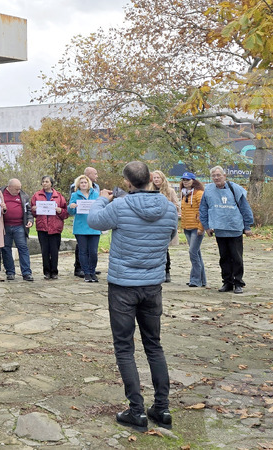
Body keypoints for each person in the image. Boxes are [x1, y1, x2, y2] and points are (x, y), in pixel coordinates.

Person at [87, 161, 177, 430]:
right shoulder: (170, 209)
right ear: (151, 178)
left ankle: (136, 410)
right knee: (154, 345)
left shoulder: (119, 206)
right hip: (152, 285)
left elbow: (94, 221)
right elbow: (170, 237)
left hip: (123, 286)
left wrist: (102, 199)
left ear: (127, 183)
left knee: (125, 347)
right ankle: (162, 408)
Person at [200, 166, 254, 294]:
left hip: (234, 228)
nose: (216, 178)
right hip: (219, 229)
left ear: (224, 175)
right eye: (214, 176)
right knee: (224, 257)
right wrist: (206, 226)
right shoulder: (208, 190)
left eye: (219, 175)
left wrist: (247, 226)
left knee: (236, 257)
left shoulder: (234, 189)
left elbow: (245, 208)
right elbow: (203, 209)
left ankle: (238, 282)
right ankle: (227, 282)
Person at [30, 175, 68, 280]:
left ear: (51, 183)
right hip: (42, 227)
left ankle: (54, 272)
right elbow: (32, 212)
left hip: (55, 227)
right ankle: (46, 272)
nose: (45, 183)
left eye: (47, 181)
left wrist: (60, 210)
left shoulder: (59, 196)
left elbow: (65, 213)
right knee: (45, 251)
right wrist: (34, 209)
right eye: (43, 182)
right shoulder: (36, 195)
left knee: (54, 251)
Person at [69, 173, 101, 282]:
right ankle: (86, 273)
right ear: (78, 184)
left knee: (93, 252)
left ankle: (92, 271)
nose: (83, 184)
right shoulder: (75, 195)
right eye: (81, 182)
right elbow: (70, 211)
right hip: (80, 227)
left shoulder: (96, 194)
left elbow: (100, 208)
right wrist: (71, 207)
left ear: (89, 184)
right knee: (83, 251)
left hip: (94, 227)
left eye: (85, 182)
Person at [0, 178, 34, 282]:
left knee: (23, 248)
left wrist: (30, 220)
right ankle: (10, 272)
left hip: (19, 226)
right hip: (4, 225)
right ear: (9, 187)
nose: (18, 191)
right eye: (16, 189)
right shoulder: (0, 193)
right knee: (6, 249)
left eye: (19, 188)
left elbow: (29, 210)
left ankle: (26, 272)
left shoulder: (24, 195)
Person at [151, 170, 181, 283]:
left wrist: (167, 206)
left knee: (165, 248)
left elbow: (176, 206)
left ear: (162, 179)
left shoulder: (170, 191)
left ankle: (166, 270)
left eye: (158, 177)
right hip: (153, 222)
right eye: (154, 178)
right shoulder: (150, 190)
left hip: (164, 222)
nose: (156, 180)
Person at [178, 172, 207, 287]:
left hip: (196, 228)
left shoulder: (199, 193)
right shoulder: (184, 194)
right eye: (184, 180)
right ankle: (202, 280)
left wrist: (201, 227)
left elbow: (203, 211)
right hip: (187, 227)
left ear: (193, 181)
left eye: (188, 180)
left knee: (193, 252)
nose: (185, 182)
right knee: (197, 253)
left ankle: (195, 280)